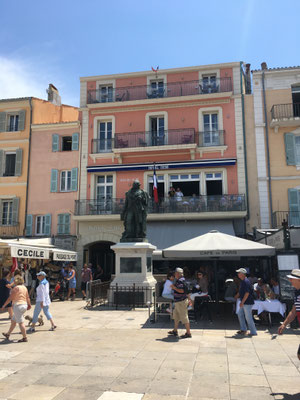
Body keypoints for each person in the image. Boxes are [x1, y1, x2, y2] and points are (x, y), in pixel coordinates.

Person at [1, 275, 31, 343]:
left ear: (16, 281)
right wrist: (29, 304)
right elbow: (27, 297)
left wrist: (4, 305)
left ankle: (24, 337)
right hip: (24, 305)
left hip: (18, 306)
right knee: (14, 321)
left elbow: (10, 298)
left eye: (14, 280)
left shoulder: (16, 288)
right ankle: (8, 334)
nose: (13, 281)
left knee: (21, 323)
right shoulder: (24, 287)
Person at [278, 269, 300, 360]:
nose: (290, 281)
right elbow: (293, 311)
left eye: (292, 279)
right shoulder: (297, 293)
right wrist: (284, 324)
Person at [168, 267, 192, 339]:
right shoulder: (180, 280)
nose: (174, 274)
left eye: (175, 273)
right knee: (176, 316)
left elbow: (181, 291)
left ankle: (188, 333)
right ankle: (175, 331)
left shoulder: (180, 281)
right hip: (179, 301)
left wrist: (174, 288)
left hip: (181, 302)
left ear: (178, 274)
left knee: (184, 317)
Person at [236, 268, 257, 336]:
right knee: (240, 314)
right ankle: (243, 329)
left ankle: (253, 332)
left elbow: (247, 293)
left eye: (239, 273)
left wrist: (242, 302)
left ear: (242, 274)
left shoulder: (246, 281)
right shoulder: (243, 281)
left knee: (248, 317)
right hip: (245, 302)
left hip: (247, 302)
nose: (238, 274)